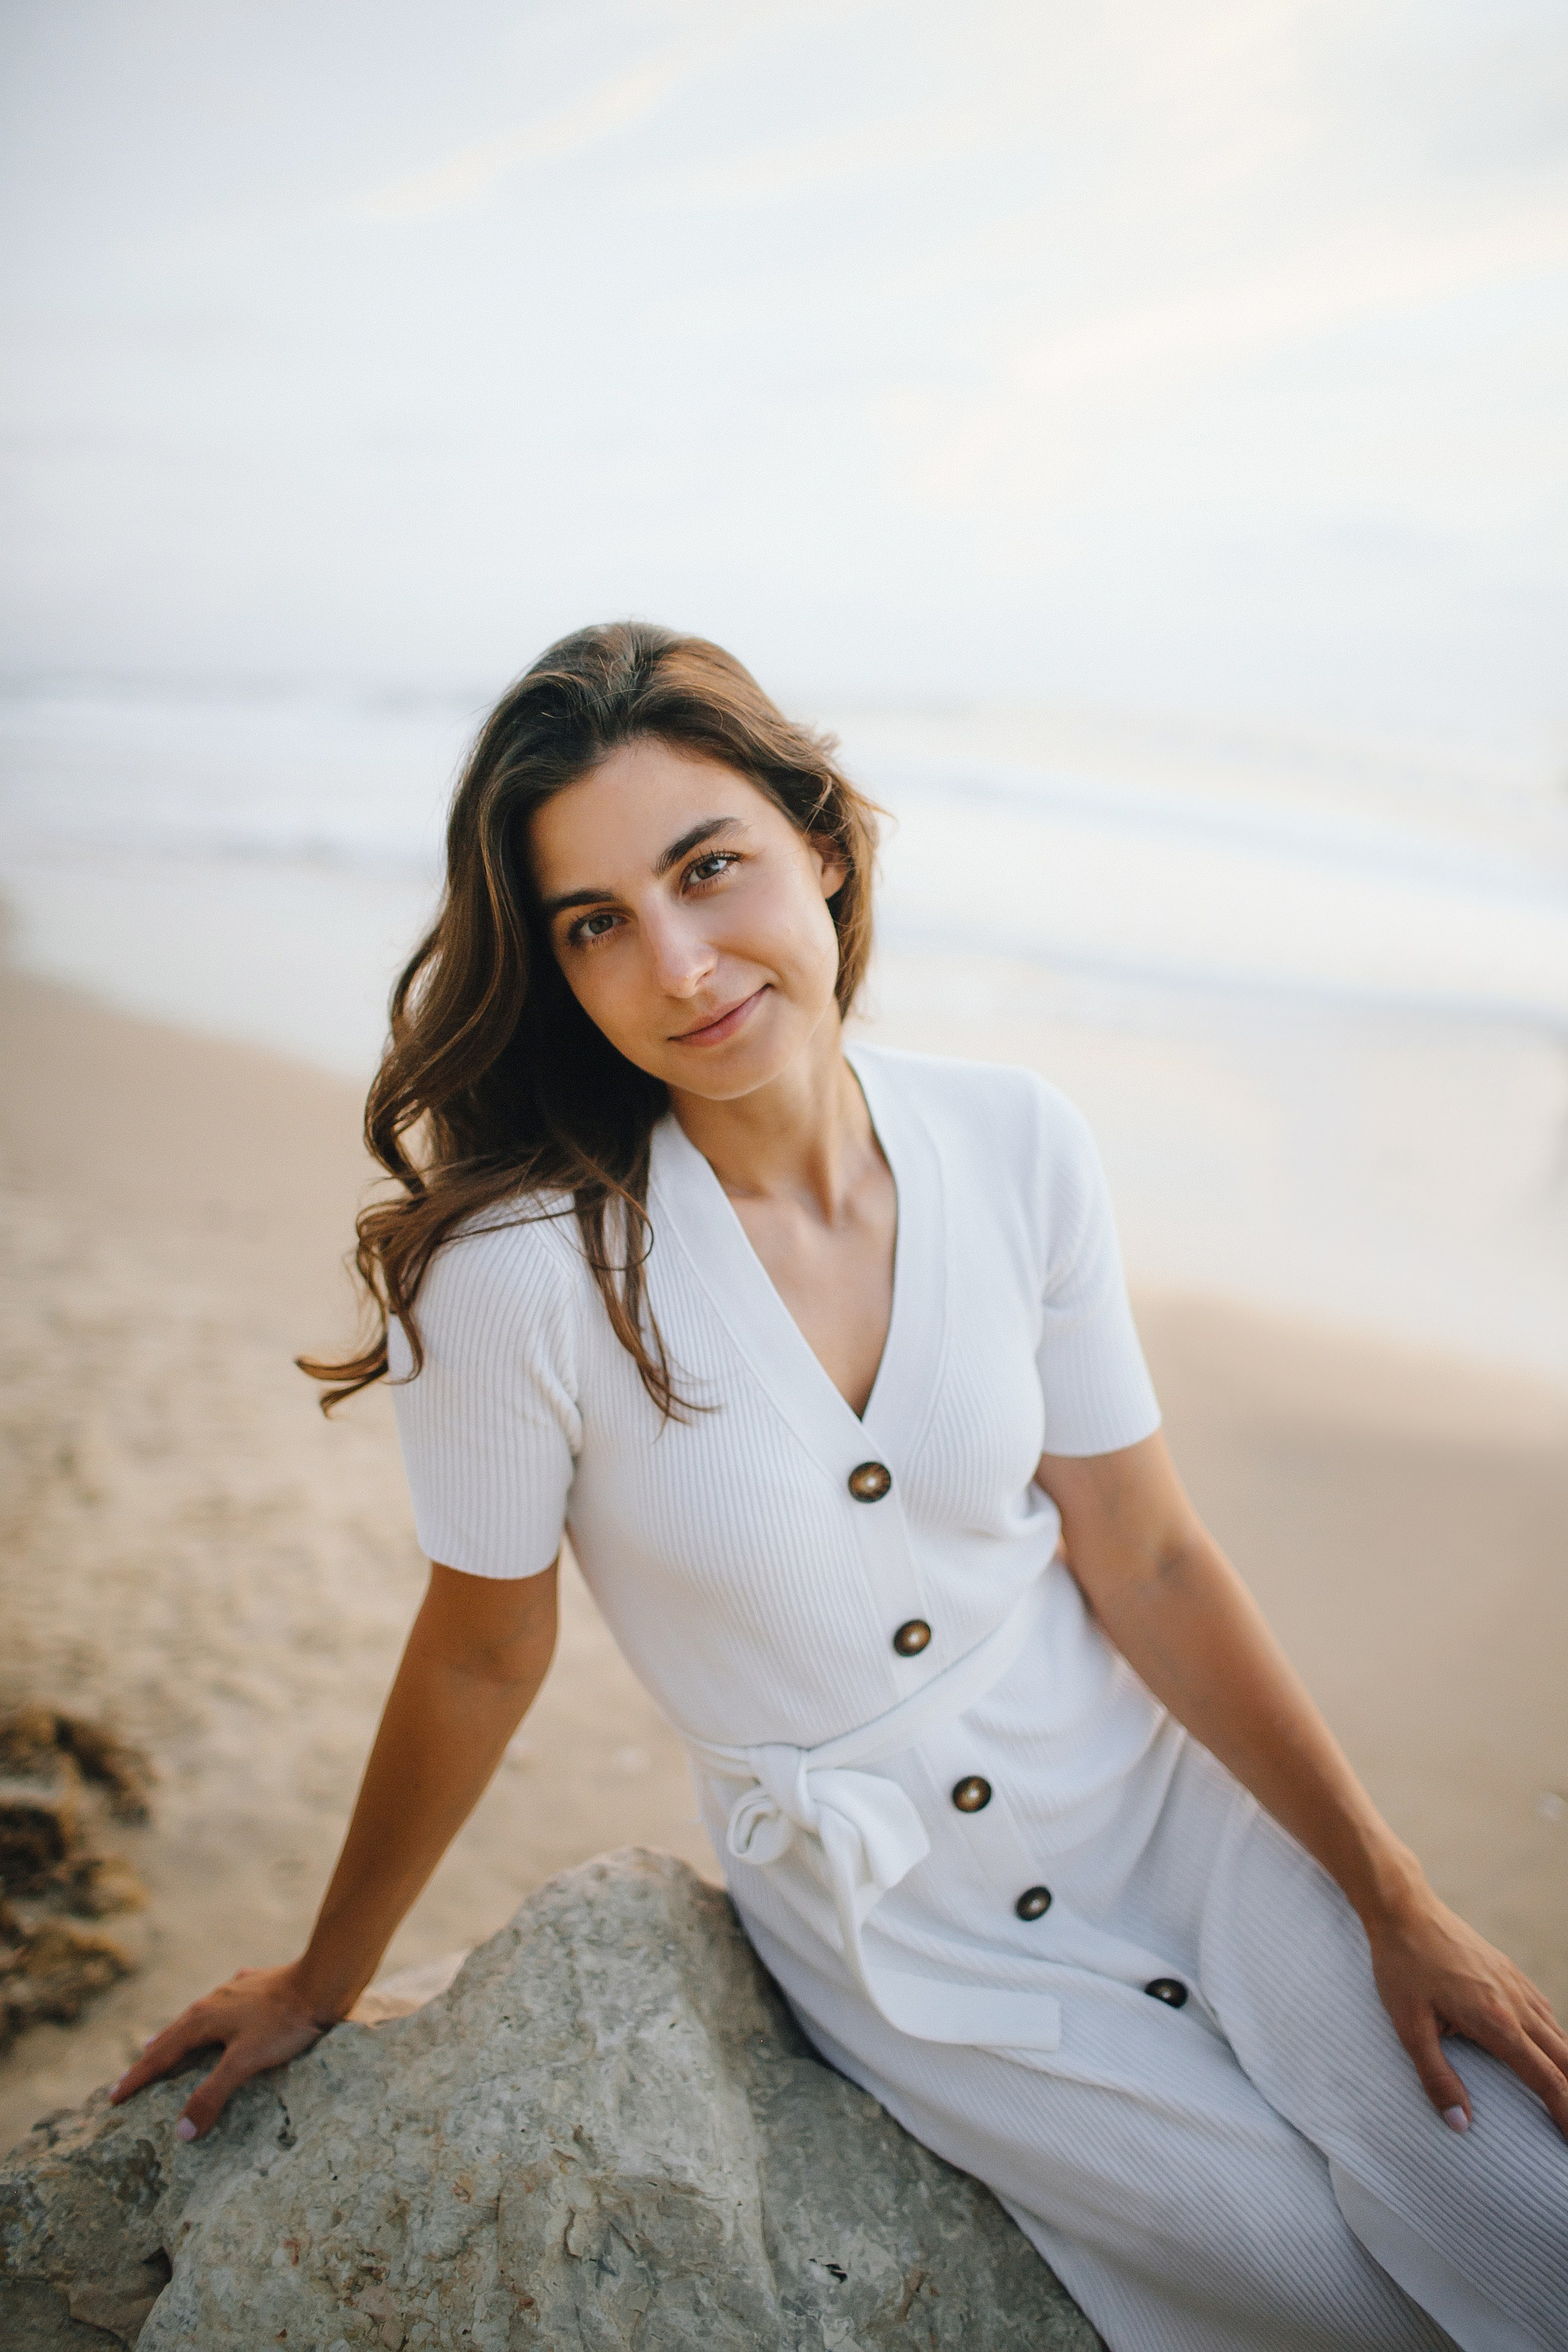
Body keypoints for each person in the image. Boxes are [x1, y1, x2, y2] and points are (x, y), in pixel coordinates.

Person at [112, 623, 1566, 2351]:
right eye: (597, 925)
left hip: (1171, 1811)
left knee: (1521, 2208)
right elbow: (483, 1652)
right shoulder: (513, 1278)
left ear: (816, 839)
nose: (678, 962)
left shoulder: (1018, 1139)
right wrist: (323, 1978)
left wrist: (1396, 1898)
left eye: (707, 869)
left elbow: (1149, 1553)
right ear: (561, 972)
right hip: (902, 1940)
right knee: (1311, 2288)